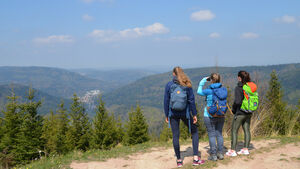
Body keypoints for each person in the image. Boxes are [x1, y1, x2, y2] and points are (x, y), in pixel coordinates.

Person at [164, 66, 205, 168]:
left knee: (175, 136)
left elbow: (166, 101)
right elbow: (191, 101)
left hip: (173, 113)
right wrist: (194, 114)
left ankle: (179, 161)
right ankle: (196, 159)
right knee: (194, 131)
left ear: (173, 74)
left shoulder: (169, 85)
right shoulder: (187, 85)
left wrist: (166, 114)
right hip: (185, 113)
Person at [197, 73, 226, 161]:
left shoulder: (209, 91)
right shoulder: (223, 90)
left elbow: (199, 91)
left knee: (212, 135)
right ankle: (220, 154)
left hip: (209, 115)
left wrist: (203, 81)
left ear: (211, 80)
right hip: (221, 114)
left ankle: (213, 155)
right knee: (219, 134)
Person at [226, 71, 254, 156]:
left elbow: (237, 102)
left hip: (240, 113)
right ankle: (246, 149)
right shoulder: (250, 87)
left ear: (239, 78)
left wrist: (233, 109)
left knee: (234, 130)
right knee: (247, 130)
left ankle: (233, 151)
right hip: (249, 112)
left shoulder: (239, 88)